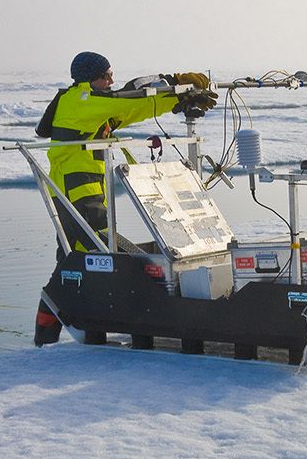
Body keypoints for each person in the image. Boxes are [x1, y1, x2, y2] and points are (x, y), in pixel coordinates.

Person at [33, 52, 216, 345]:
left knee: (70, 260)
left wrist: (175, 100)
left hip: (84, 187)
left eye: (111, 74)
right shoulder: (81, 100)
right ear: (90, 78)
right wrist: (173, 84)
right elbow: (127, 101)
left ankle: (47, 338)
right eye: (106, 75)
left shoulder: (94, 105)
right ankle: (147, 306)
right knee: (102, 247)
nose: (111, 80)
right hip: (74, 189)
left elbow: (133, 110)